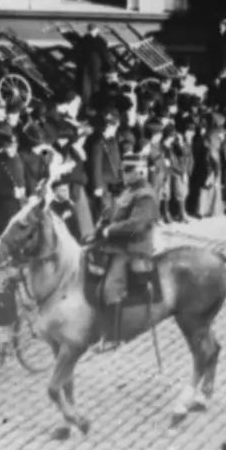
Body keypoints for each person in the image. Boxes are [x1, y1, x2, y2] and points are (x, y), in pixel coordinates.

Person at [92, 148, 160, 352]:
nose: (124, 175)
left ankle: (114, 337)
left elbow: (136, 226)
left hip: (134, 246)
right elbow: (115, 211)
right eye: (124, 171)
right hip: (119, 243)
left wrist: (110, 231)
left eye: (127, 171)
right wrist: (102, 223)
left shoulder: (145, 195)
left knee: (110, 289)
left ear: (137, 172)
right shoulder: (129, 190)